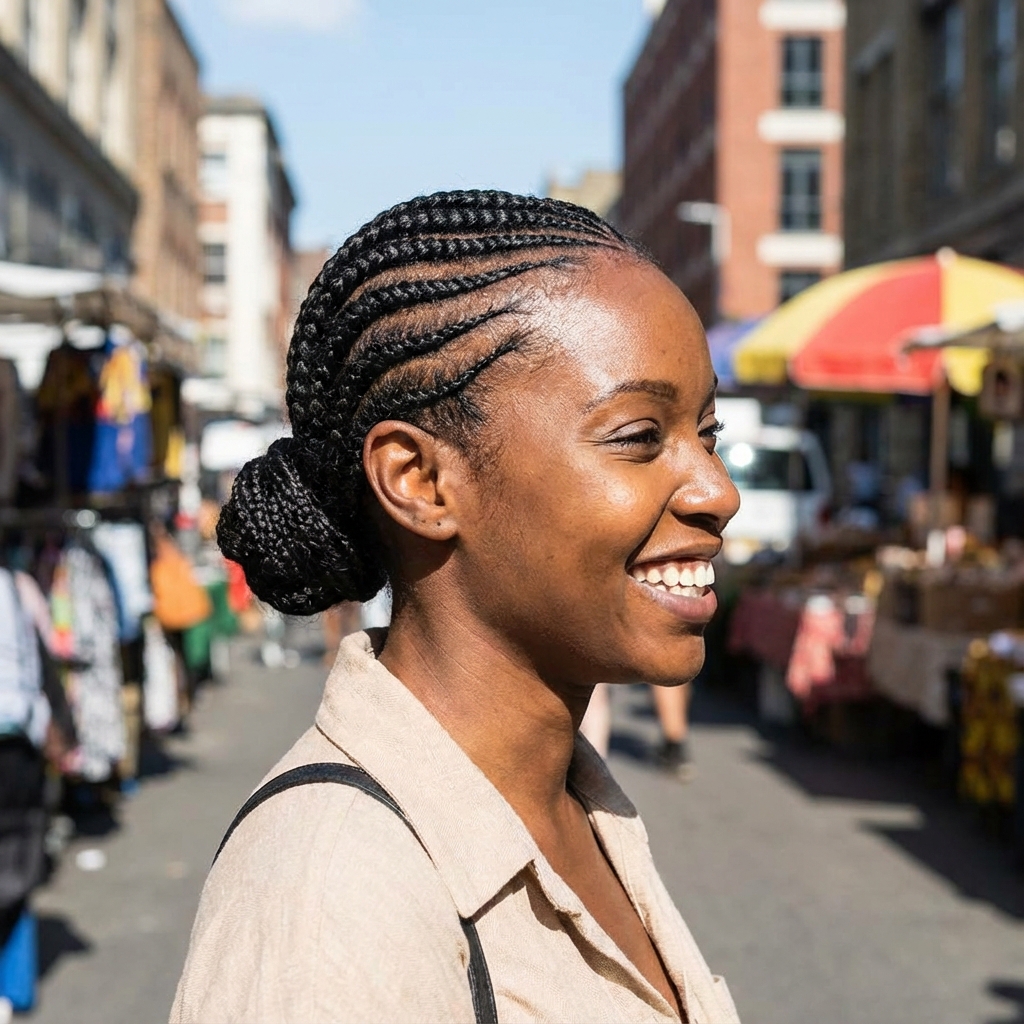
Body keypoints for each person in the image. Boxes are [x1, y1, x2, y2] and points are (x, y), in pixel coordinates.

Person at [172, 191, 741, 1024]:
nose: (718, 493)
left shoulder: (574, 802)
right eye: (639, 437)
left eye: (708, 435)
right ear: (420, 481)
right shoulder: (332, 897)